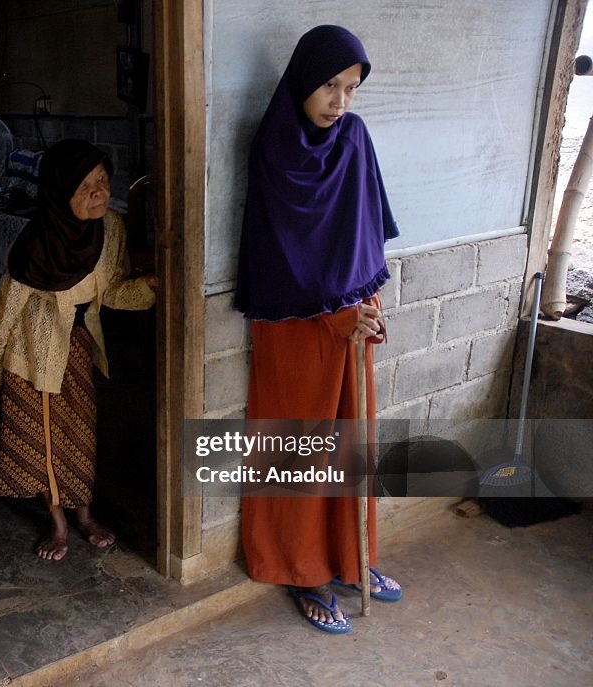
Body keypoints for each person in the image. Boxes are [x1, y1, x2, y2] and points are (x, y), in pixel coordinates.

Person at [234, 25, 402, 633]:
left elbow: (366, 232)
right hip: (296, 323)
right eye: (330, 85)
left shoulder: (355, 139)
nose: (340, 101)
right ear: (305, 78)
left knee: (351, 444)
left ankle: (355, 559)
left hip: (354, 314)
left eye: (351, 89)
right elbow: (283, 255)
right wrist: (334, 314)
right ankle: (303, 570)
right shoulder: (275, 147)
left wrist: (370, 305)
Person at [0, 139, 157, 561]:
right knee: (43, 441)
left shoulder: (110, 228)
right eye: (85, 186)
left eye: (102, 180)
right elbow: (4, 312)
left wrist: (150, 288)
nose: (99, 191)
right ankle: (59, 523)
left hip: (77, 347)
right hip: (31, 355)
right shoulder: (37, 242)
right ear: (61, 191)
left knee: (79, 436)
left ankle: (84, 514)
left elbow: (112, 290)